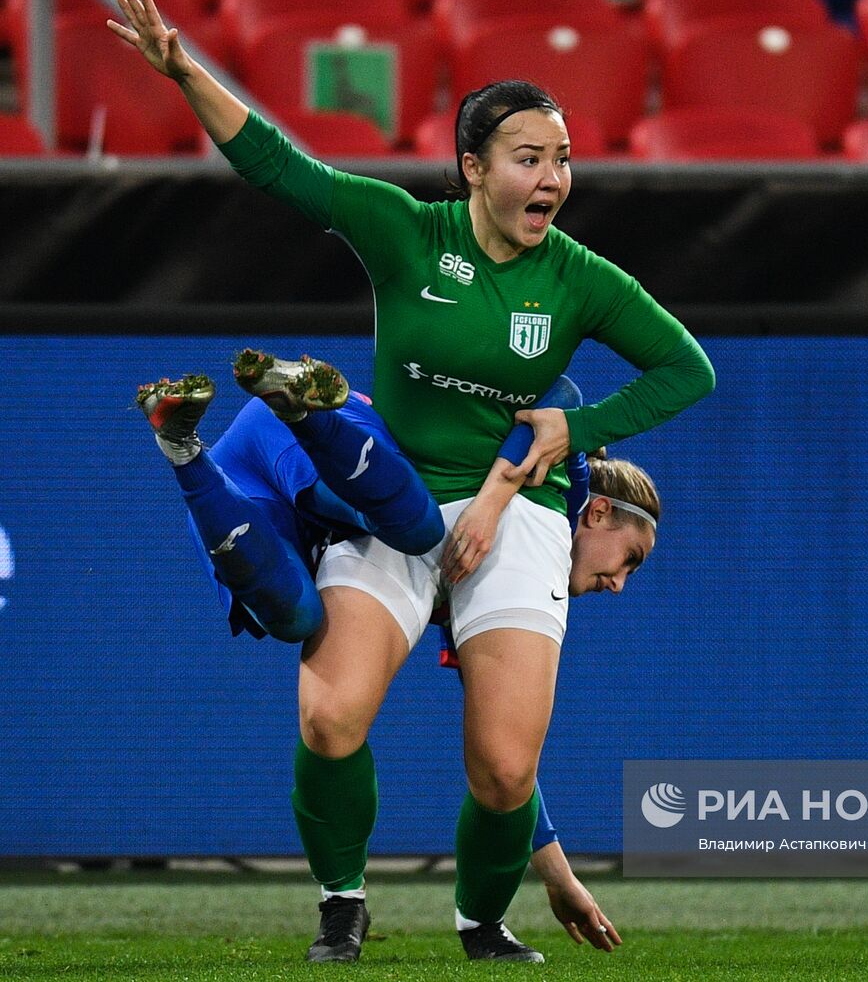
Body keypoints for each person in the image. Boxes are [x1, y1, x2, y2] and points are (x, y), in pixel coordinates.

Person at [111, 0, 713, 963]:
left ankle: (481, 924)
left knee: (506, 769)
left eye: (563, 157)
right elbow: (281, 168)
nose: (553, 175)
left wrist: (573, 425)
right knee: (330, 712)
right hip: (385, 493)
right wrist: (186, 71)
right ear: (474, 168)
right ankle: (341, 902)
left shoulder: (580, 280)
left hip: (506, 515)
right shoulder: (406, 233)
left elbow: (689, 368)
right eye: (530, 157)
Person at [137, 365, 642, 959]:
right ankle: (342, 905)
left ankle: (183, 450)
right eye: (631, 557)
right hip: (340, 471)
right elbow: (562, 388)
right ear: (600, 513)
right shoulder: (564, 476)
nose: (619, 583)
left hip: (284, 499)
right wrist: (492, 501)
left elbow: (506, 761)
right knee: (407, 534)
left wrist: (557, 874)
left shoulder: (537, 552)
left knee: (296, 617)